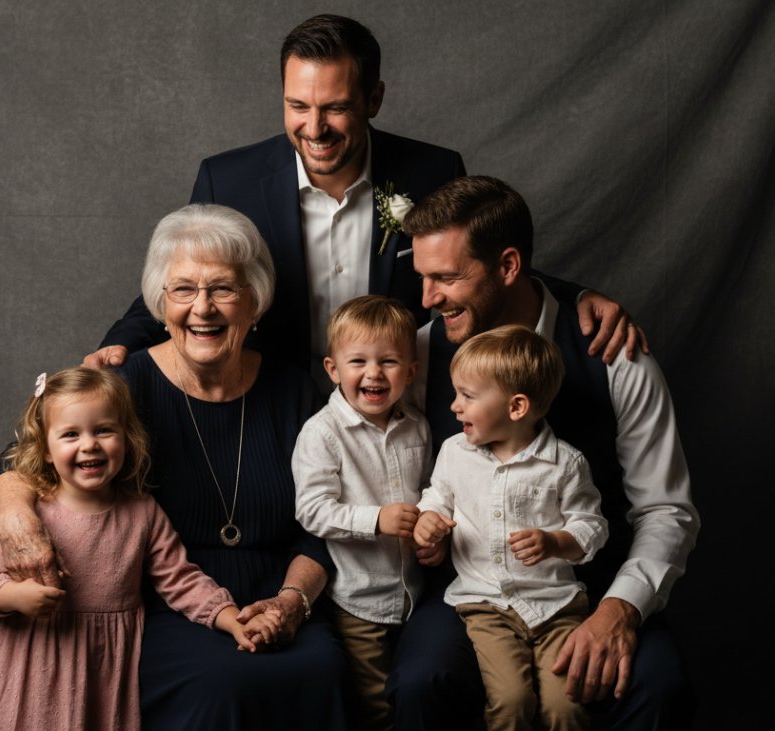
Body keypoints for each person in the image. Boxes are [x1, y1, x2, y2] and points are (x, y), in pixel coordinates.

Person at [85, 14, 643, 387]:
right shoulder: (226, 180)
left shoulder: (432, 170)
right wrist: (116, 346)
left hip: (399, 410)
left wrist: (577, 295)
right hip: (269, 404)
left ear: (374, 99)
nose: (314, 128)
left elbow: (476, 268)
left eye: (335, 108)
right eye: (298, 106)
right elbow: (180, 282)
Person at [0, 205, 349, 729]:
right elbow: (21, 462)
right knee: (223, 685)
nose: (203, 308)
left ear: (255, 300)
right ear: (160, 302)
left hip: (280, 598)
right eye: (183, 290)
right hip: (164, 606)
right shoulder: (124, 384)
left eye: (223, 288)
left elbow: (324, 524)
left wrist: (291, 602)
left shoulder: (294, 392)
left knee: (324, 670)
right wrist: (15, 513)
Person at [403, 176, 701, 729]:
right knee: (422, 683)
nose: (427, 299)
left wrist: (621, 608)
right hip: (472, 591)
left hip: (591, 590)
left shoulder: (617, 360)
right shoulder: (419, 356)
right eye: (422, 277)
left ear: (508, 266)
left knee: (659, 686)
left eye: (445, 278)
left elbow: (665, 510)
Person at [0, 367, 269, 730]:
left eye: (103, 430)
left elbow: (181, 580)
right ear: (45, 449)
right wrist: (12, 595)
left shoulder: (142, 512)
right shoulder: (33, 515)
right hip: (33, 660)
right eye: (71, 434)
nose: (89, 444)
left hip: (103, 669)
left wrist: (231, 619)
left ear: (127, 438)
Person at [414, 325, 608, 731]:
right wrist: (427, 520)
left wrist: (556, 541)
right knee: (511, 701)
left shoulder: (566, 464)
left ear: (517, 406)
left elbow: (591, 526)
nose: (454, 407)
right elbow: (436, 496)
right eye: (456, 394)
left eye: (467, 396)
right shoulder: (455, 453)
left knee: (566, 706)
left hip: (555, 606)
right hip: (485, 605)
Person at [291, 295, 432, 730]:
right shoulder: (321, 434)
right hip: (358, 602)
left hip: (416, 595)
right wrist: (376, 519)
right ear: (333, 370)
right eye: (358, 362)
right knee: (375, 706)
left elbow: (432, 489)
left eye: (388, 361)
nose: (373, 373)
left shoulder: (419, 426)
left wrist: (432, 522)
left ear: (410, 371)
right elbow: (312, 511)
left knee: (417, 691)